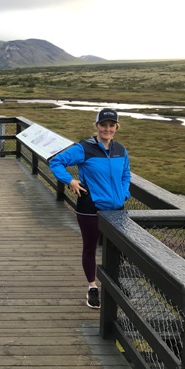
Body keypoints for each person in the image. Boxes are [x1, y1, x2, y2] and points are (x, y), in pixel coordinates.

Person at [49, 108, 131, 309]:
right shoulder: (84, 148)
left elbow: (126, 174)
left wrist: (124, 193)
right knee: (90, 246)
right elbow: (56, 162)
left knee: (115, 248)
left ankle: (113, 282)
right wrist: (70, 181)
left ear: (116, 127)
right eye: (103, 125)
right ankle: (92, 287)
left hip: (116, 208)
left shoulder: (120, 150)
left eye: (111, 125)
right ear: (97, 126)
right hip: (90, 206)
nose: (107, 128)